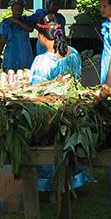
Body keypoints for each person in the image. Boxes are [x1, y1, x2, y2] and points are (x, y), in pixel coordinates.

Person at [29, 13, 89, 193]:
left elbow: (35, 91)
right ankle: (75, 182)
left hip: (50, 117)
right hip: (73, 113)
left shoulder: (41, 62)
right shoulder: (75, 54)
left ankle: (47, 185)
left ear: (41, 37)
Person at [0, 0, 34, 71]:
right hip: (12, 53)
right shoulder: (6, 23)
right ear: (12, 9)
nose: (18, 11)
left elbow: (30, 29)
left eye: (20, 9)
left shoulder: (25, 20)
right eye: (16, 9)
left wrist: (17, 21)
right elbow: (2, 41)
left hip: (25, 53)